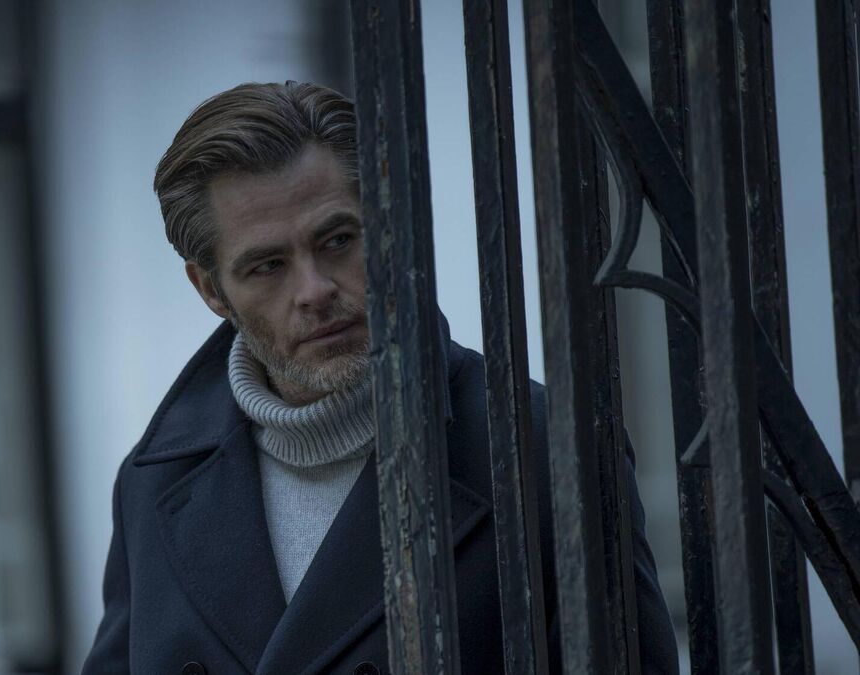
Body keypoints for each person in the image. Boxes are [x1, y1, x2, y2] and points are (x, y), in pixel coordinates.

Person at [81, 81, 678, 674]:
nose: (314, 290)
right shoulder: (152, 484)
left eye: (338, 240)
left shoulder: (539, 448)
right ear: (211, 290)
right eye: (268, 265)